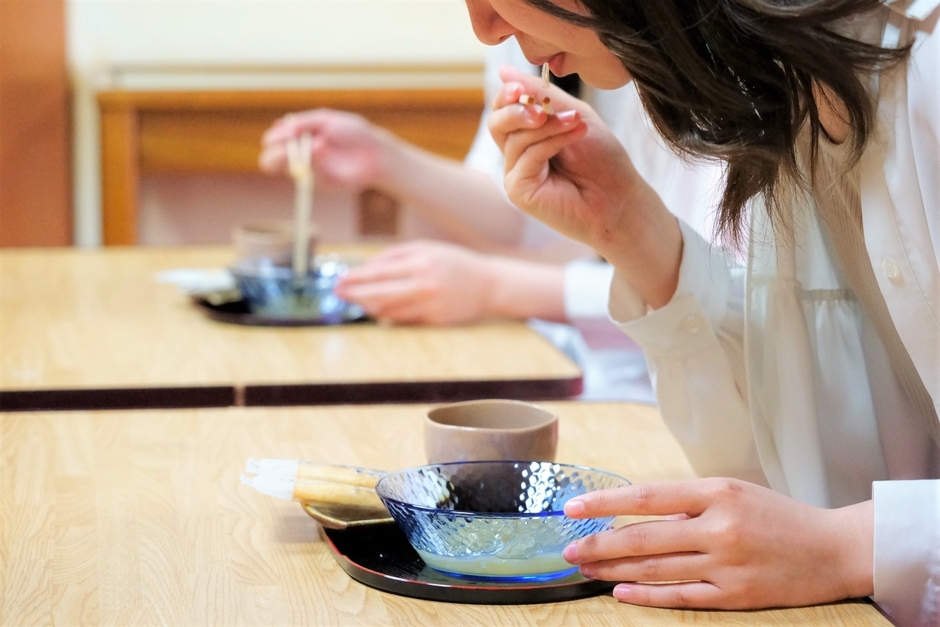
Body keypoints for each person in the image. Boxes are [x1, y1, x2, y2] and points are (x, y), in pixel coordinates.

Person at [466, 0, 939, 624]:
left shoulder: (925, 54)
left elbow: (829, 526)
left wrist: (850, 546)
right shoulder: (795, 86)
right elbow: (800, 457)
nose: (484, 28)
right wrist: (631, 228)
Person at [259, 39, 722, 401]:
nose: (486, 29)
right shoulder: (526, 36)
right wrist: (382, 159)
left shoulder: (707, 66)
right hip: (589, 363)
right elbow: (522, 202)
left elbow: (706, 285)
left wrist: (493, 286)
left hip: (669, 388)